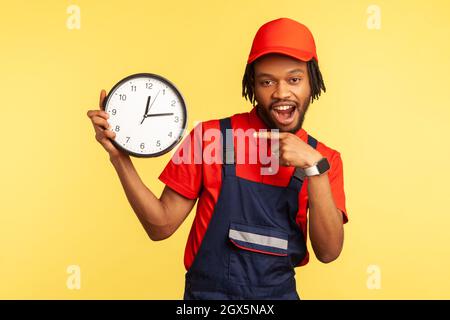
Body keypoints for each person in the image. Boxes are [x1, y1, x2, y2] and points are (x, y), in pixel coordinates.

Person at [87, 17, 348, 300]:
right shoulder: (209, 137)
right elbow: (160, 226)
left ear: (313, 82)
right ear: (253, 85)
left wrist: (314, 168)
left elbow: (329, 252)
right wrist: (119, 158)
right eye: (266, 81)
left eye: (294, 79)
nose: (281, 92)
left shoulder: (325, 159)